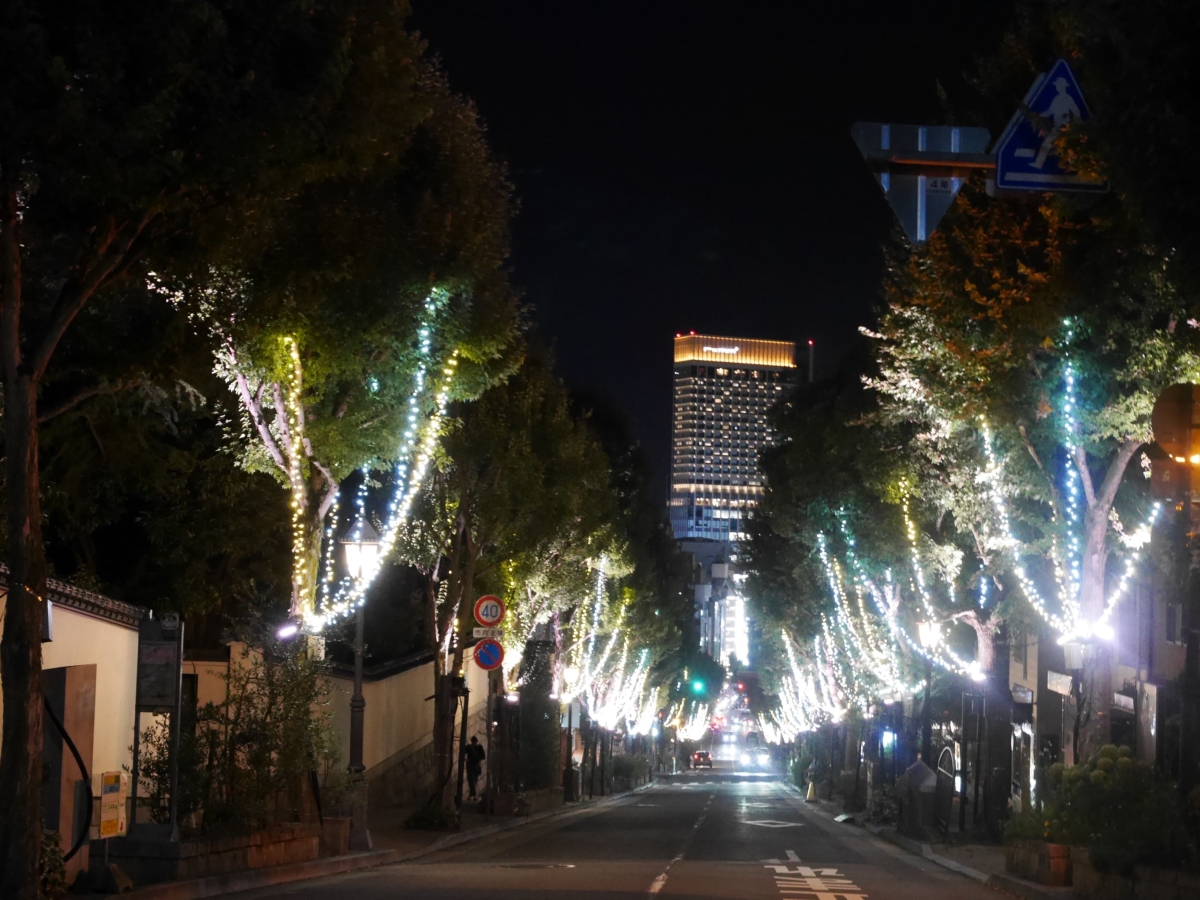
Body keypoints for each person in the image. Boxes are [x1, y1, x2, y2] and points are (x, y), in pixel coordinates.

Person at [464, 736, 486, 800]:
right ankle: (474, 795)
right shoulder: (469, 747)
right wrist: (466, 759)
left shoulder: (479, 747)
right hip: (471, 765)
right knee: (471, 780)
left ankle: (471, 795)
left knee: (474, 780)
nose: (474, 743)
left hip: (475, 765)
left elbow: (483, 756)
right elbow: (463, 753)